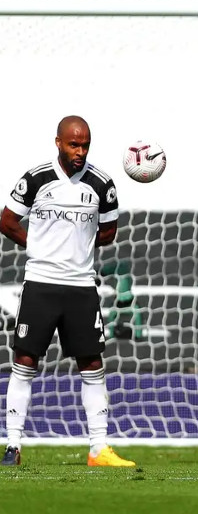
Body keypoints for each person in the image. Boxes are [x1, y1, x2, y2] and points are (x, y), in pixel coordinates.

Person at [0, 116, 134, 467]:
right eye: (74, 144)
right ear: (58, 142)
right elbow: (7, 221)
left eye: (85, 145)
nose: (80, 151)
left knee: (91, 362)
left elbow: (109, 231)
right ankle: (13, 445)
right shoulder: (36, 178)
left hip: (80, 285)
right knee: (25, 360)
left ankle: (98, 448)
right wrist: (40, 247)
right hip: (41, 283)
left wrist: (79, 247)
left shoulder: (102, 183)